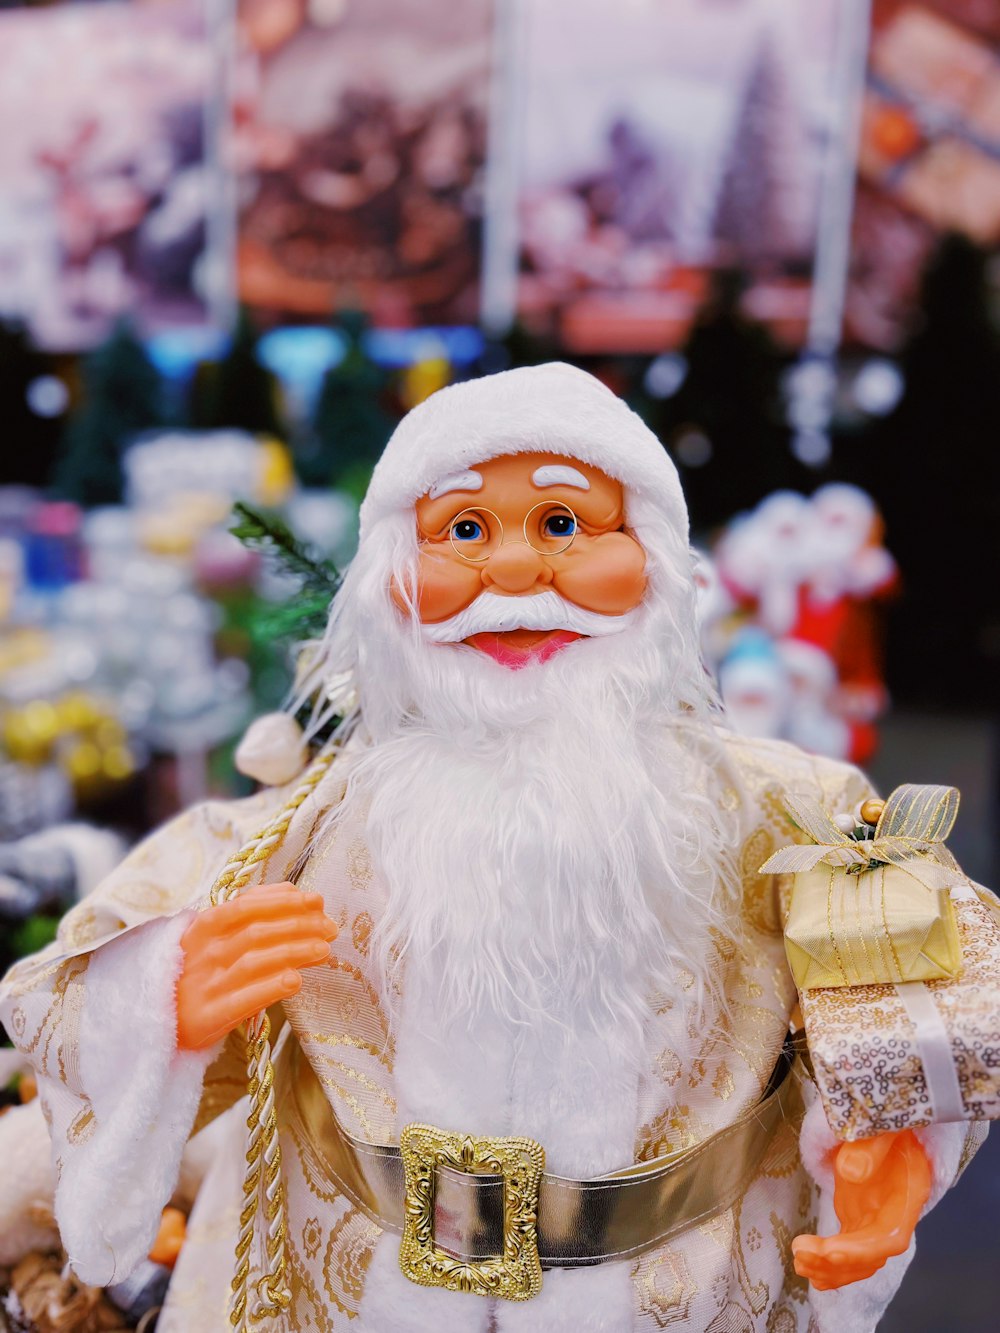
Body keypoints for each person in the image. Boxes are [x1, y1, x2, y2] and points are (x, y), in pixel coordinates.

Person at [0, 364, 984, 1332]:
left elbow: (915, 965)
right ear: (395, 574)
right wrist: (160, 991)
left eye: (562, 525)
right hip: (363, 1289)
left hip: (679, 1286)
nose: (513, 573)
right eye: (463, 532)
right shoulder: (313, 815)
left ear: (649, 549)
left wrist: (888, 1145)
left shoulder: (779, 807)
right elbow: (78, 968)